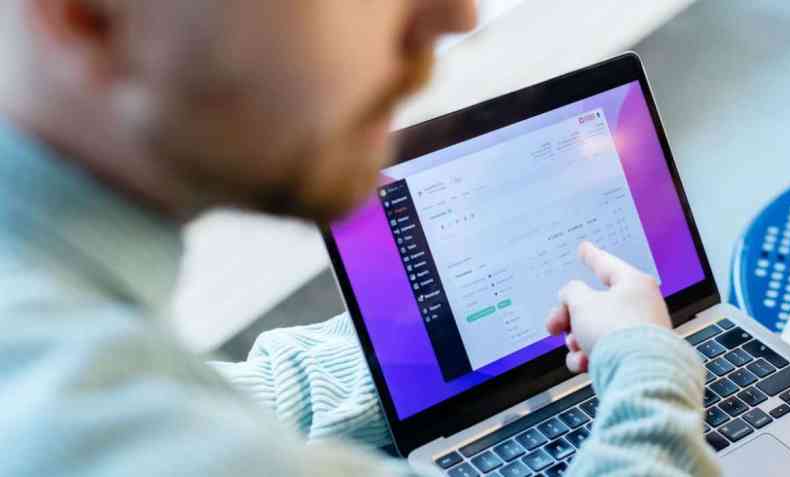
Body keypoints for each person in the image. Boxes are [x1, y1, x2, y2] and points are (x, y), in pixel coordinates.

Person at [0, 0, 721, 476]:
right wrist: (648, 367)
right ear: (89, 13)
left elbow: (209, 399)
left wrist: (413, 361)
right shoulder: (81, 431)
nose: (455, 14)